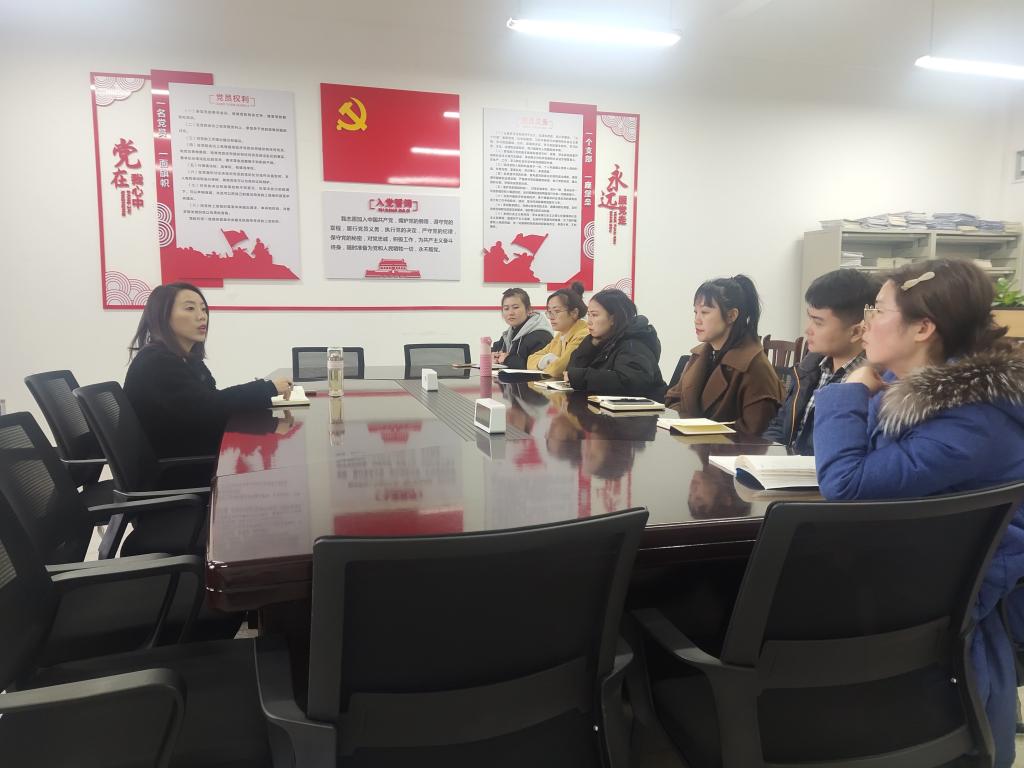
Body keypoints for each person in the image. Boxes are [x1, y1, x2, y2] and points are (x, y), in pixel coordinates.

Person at [813, 259, 1024, 767]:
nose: (864, 325)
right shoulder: (913, 392)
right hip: (920, 573)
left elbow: (847, 484)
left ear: (923, 328)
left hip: (951, 596)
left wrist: (848, 389)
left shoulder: (971, 419)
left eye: (877, 311)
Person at [124, 282, 292, 459]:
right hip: (177, 464)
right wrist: (268, 388)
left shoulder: (187, 359)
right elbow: (209, 408)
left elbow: (211, 402)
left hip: (191, 451)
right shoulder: (156, 362)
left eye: (204, 309)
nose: (201, 316)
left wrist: (267, 408)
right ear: (163, 316)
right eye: (190, 308)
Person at [763, 269, 880, 453]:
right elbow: (780, 426)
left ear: (857, 332)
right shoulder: (808, 368)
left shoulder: (869, 383)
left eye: (818, 323)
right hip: (787, 467)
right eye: (810, 319)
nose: (807, 330)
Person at [665, 274, 781, 434]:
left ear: (731, 315)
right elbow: (673, 400)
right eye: (695, 312)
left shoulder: (754, 366)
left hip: (724, 449)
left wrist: (698, 430)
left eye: (705, 312)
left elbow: (754, 433)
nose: (697, 320)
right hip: (690, 445)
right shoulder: (699, 356)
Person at [564, 289, 667, 400]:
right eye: (588, 315)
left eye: (594, 315)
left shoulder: (633, 344)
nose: (589, 321)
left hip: (640, 409)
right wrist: (590, 345)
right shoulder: (601, 340)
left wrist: (581, 377)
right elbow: (571, 372)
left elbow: (630, 382)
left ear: (614, 318)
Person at [527, 282, 589, 377]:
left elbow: (557, 369)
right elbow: (530, 361)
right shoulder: (560, 335)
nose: (551, 317)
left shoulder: (583, 335)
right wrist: (544, 361)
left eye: (556, 311)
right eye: (549, 312)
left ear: (574, 312)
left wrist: (546, 364)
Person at [491, 287, 553, 369]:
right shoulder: (509, 334)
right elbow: (497, 349)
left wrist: (507, 359)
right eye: (506, 308)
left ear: (528, 309)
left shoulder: (541, 336)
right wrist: (493, 356)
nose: (510, 313)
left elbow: (536, 366)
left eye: (515, 307)